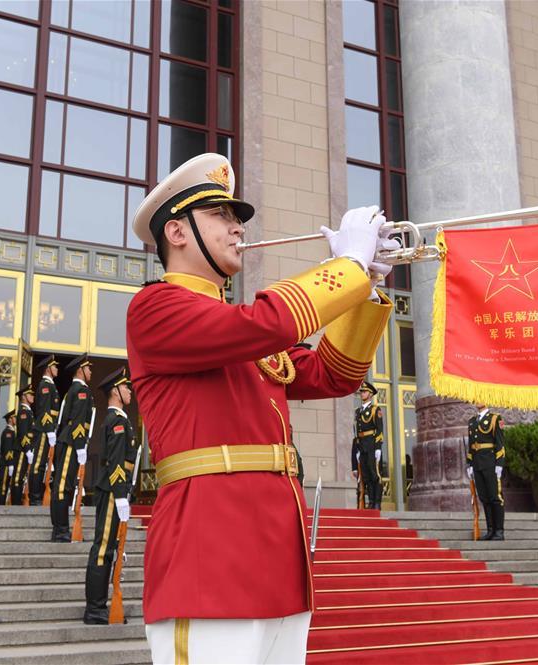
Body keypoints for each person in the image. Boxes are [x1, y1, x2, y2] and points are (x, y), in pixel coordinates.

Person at [126, 153, 393, 664]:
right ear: (177, 233)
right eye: (221, 217)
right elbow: (265, 324)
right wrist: (346, 269)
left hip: (277, 555)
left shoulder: (237, 327)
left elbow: (334, 375)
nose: (236, 229)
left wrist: (366, 288)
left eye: (236, 219)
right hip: (210, 551)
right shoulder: (156, 307)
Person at [83, 366, 138, 624]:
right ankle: (95, 608)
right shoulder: (116, 421)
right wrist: (119, 495)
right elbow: (115, 463)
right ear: (115, 392)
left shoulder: (119, 419)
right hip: (111, 490)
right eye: (126, 387)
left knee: (109, 547)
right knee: (104, 547)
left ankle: (100, 604)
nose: (130, 391)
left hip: (115, 489)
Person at [50, 354, 94, 542]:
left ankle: (59, 528)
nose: (91, 372)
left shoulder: (72, 390)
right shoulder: (81, 391)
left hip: (67, 440)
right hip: (71, 442)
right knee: (62, 487)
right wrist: (80, 446)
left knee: (65, 486)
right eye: (88, 368)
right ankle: (60, 529)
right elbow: (77, 421)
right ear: (80, 370)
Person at [466, 404, 506, 540]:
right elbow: (471, 445)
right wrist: (469, 464)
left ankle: (499, 531)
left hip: (490, 463)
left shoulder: (495, 419)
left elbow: (500, 443)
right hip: (477, 463)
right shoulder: (472, 421)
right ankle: (490, 530)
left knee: (495, 497)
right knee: (484, 498)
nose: (477, 400)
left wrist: (499, 464)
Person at [28, 355, 61, 505]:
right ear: (48, 368)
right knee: (38, 464)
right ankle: (34, 497)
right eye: (55, 367)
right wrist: (49, 430)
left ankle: (36, 495)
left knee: (42, 464)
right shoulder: (46, 386)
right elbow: (45, 410)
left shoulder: (50, 385)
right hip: (43, 430)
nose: (56, 369)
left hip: (47, 428)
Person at [352, 382, 383, 509]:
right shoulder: (358, 411)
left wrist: (378, 448)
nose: (362, 394)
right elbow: (357, 432)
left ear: (370, 394)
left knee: (374, 474)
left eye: (364, 392)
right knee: (365, 475)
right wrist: (358, 449)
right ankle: (370, 501)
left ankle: (377, 502)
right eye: (361, 392)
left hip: (371, 444)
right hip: (362, 445)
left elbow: (379, 430)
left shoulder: (376, 410)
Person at [10, 385, 35, 505]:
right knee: (17, 478)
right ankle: (15, 504)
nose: (33, 397)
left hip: (25, 449)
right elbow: (23, 433)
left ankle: (17, 502)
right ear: (24, 397)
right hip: (21, 449)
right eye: (30, 394)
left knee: (21, 477)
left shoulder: (28, 411)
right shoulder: (23, 412)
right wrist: (28, 450)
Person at [0, 410, 17, 505]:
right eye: (15, 418)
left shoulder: (11, 432)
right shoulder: (9, 432)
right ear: (10, 419)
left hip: (7, 464)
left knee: (5, 486)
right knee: (3, 486)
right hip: (5, 464)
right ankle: (0, 507)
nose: (16, 419)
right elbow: (8, 450)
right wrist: (10, 463)